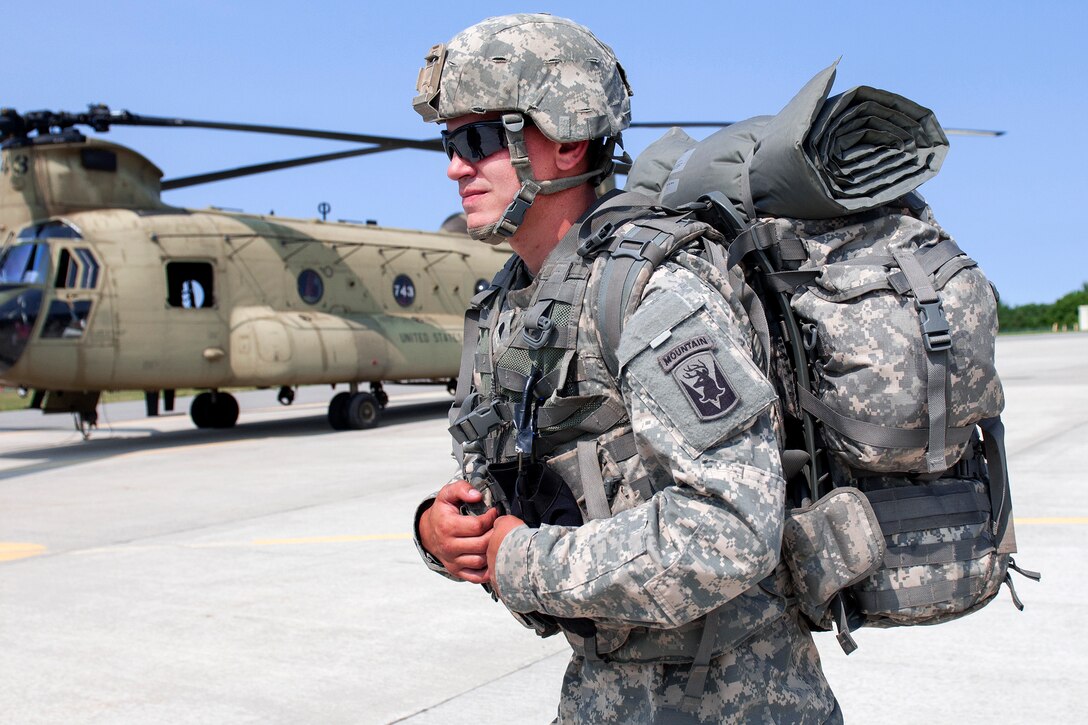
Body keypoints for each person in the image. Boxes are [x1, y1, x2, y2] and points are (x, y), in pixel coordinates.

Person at [411, 13, 841, 723]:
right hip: (603, 694)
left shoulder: (654, 290)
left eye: (480, 138)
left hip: (740, 700)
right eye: (450, 142)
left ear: (569, 135)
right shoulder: (506, 307)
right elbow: (505, 487)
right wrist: (440, 530)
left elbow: (733, 526)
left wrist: (524, 563)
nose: (456, 165)